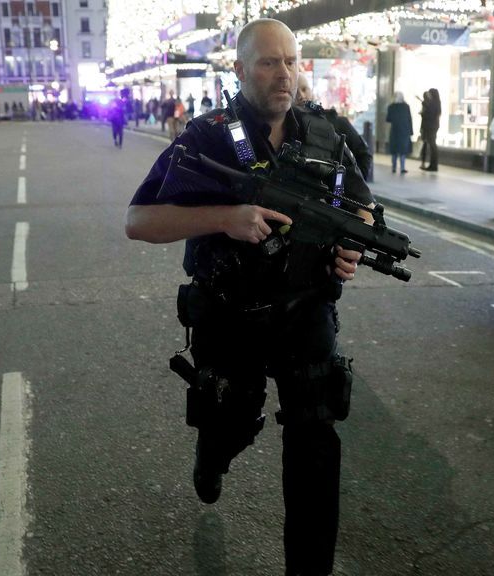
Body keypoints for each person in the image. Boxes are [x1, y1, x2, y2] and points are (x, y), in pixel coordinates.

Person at [125, 18, 372, 576]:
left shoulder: (326, 136)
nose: (283, 74)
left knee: (315, 443)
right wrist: (225, 218)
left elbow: (360, 207)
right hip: (229, 315)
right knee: (228, 423)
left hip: (307, 310)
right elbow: (138, 221)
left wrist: (350, 244)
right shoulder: (208, 136)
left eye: (290, 61)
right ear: (239, 70)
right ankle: (212, 457)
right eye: (268, 62)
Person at [296, 74, 373, 181]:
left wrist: (353, 186)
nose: (301, 95)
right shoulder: (288, 128)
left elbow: (363, 154)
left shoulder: (338, 123)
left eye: (304, 89)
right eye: (295, 92)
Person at [386, 92, 413, 174]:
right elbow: (409, 119)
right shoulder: (406, 106)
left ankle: (394, 167)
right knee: (402, 150)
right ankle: (402, 168)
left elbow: (388, 119)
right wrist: (411, 132)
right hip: (404, 131)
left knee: (394, 150)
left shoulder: (391, 106)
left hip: (395, 130)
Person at [419, 88, 441, 172]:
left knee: (432, 145)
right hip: (433, 126)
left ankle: (433, 165)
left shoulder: (433, 104)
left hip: (430, 127)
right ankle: (433, 164)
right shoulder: (437, 103)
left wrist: (423, 114)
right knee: (432, 145)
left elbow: (428, 115)